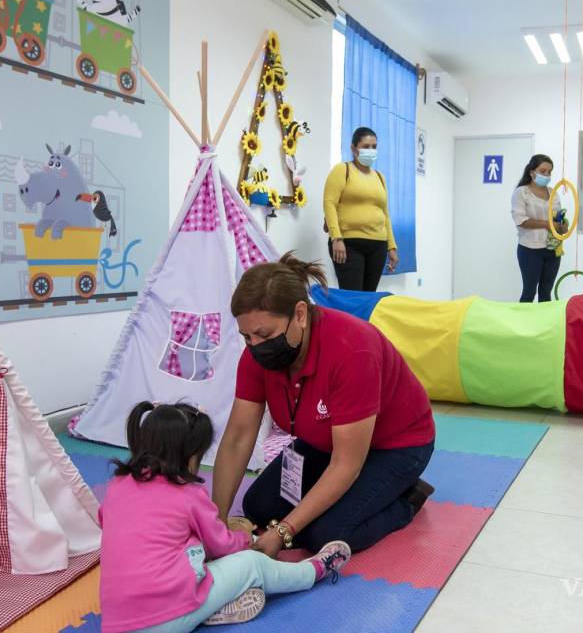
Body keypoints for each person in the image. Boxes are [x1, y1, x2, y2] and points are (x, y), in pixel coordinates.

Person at [211, 253, 436, 558]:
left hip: (397, 446)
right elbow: (238, 438)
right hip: (327, 441)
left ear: (300, 315)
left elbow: (346, 463)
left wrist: (282, 532)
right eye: (246, 337)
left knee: (324, 535)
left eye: (264, 334)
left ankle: (406, 498)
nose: (255, 346)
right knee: (258, 506)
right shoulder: (256, 355)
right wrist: (214, 522)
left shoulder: (352, 350)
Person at [99, 402, 352, 633]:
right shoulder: (188, 494)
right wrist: (246, 539)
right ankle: (314, 570)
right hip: (165, 619)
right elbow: (220, 545)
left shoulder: (116, 487)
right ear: (190, 458)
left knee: (191, 557)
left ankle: (216, 607)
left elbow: (112, 525)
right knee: (252, 565)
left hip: (115, 621)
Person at [323, 127, 398, 292]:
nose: (371, 151)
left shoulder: (379, 177)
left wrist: (391, 247)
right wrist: (336, 238)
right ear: (353, 148)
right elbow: (329, 204)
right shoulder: (342, 170)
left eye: (374, 146)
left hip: (378, 245)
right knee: (352, 298)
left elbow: (385, 214)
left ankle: (365, 320)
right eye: (366, 146)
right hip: (349, 245)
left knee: (369, 298)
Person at [511, 154, 567, 302]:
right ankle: (522, 325)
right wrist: (547, 224)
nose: (547, 175)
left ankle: (543, 325)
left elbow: (557, 218)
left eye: (549, 172)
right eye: (543, 171)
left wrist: (563, 225)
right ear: (531, 172)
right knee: (529, 292)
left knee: (546, 294)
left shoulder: (553, 193)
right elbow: (520, 220)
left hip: (552, 249)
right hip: (530, 250)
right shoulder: (521, 192)